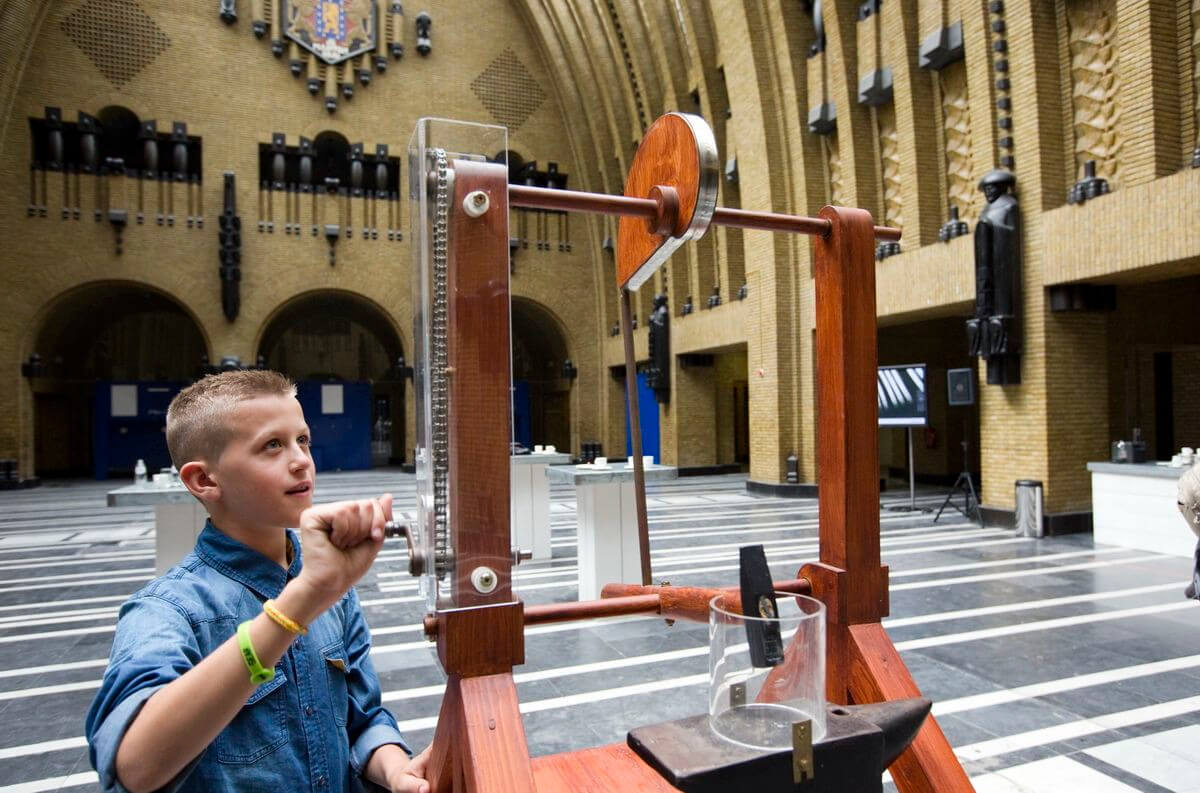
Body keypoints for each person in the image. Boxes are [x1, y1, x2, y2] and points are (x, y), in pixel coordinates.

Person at [85, 370, 430, 793]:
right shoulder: (168, 610)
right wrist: (300, 602)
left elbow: (364, 720)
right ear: (204, 480)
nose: (301, 458)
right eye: (272, 445)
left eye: (302, 440)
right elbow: (136, 767)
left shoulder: (330, 591)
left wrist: (396, 770)